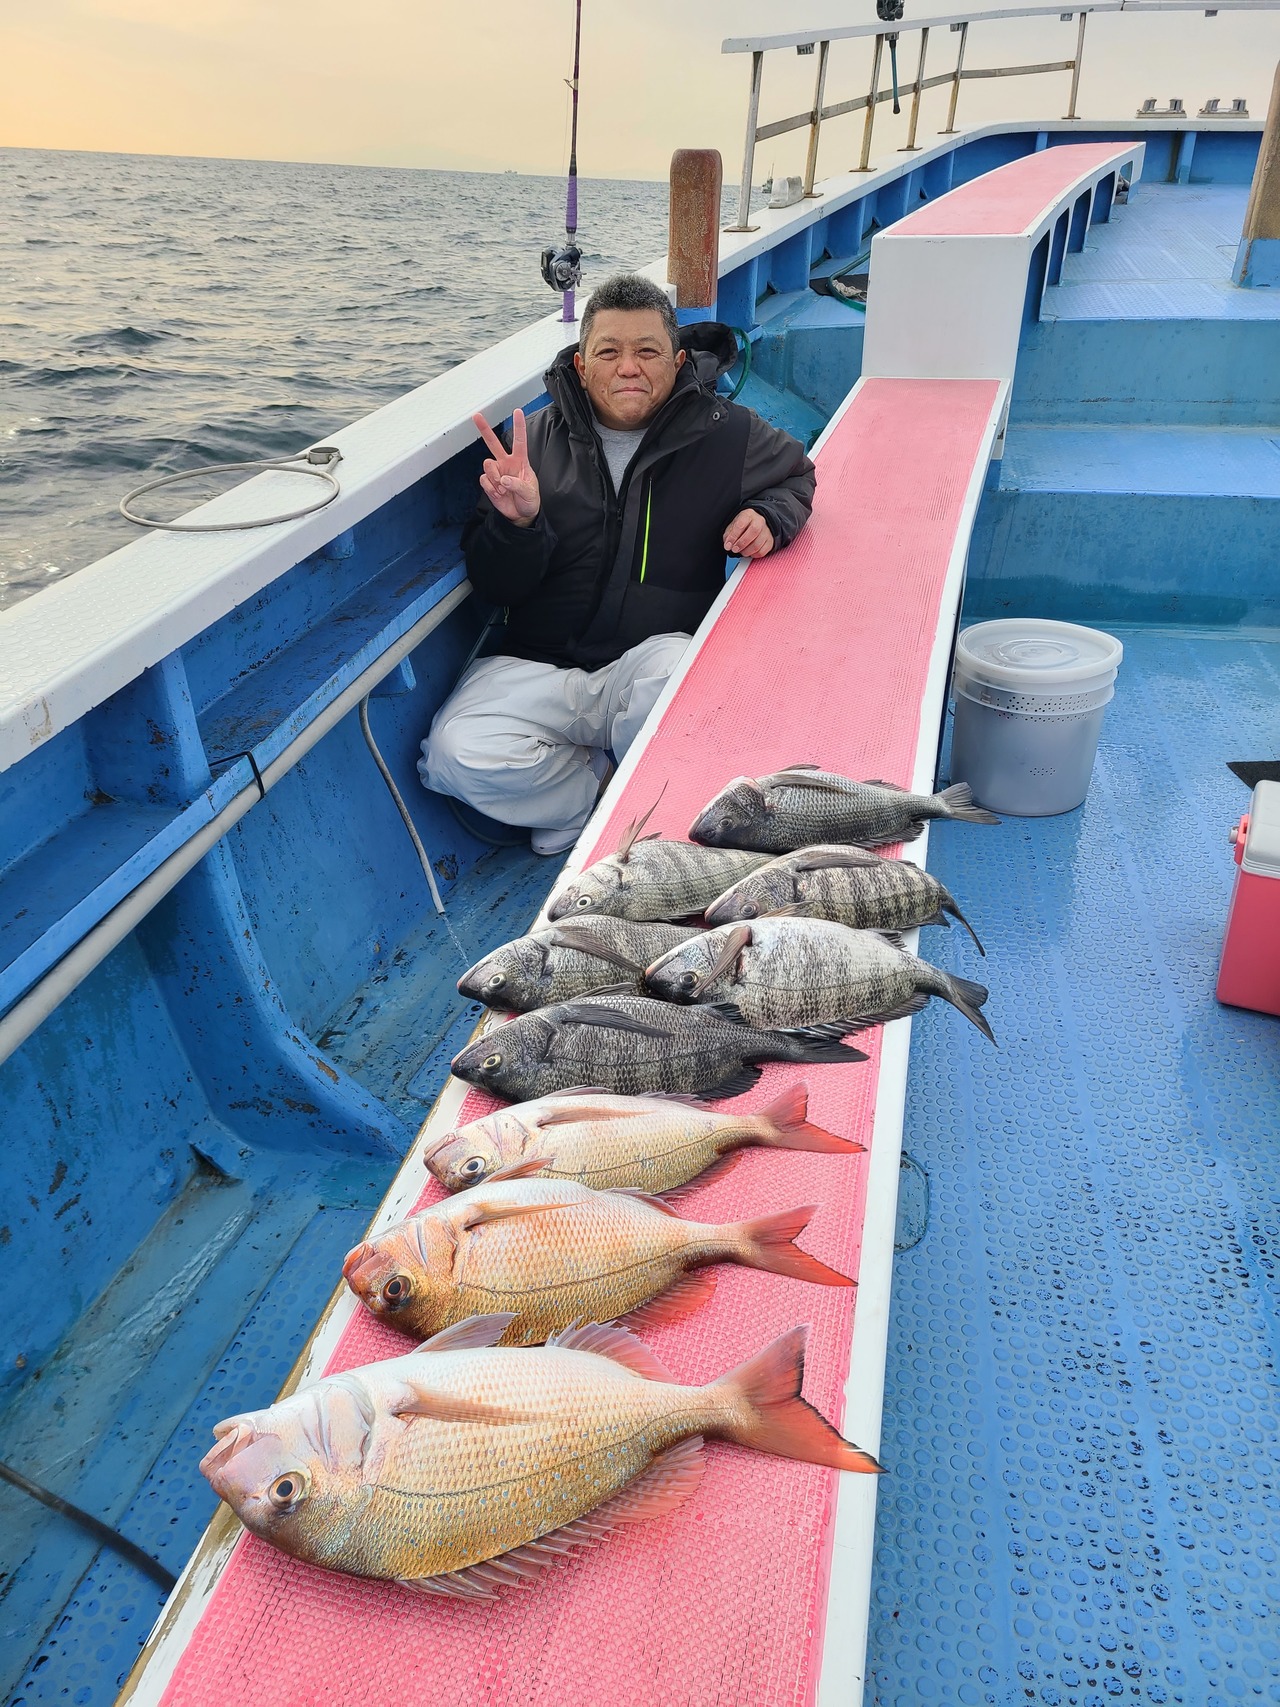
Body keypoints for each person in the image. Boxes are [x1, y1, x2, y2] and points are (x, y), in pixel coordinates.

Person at [419, 272, 816, 855]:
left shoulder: (728, 436)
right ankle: (593, 793)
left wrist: (769, 515)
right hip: (540, 665)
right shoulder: (535, 447)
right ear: (582, 367)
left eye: (647, 351)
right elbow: (497, 586)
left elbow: (797, 476)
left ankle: (648, 808)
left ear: (677, 362)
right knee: (454, 753)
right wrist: (518, 523)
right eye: (609, 352)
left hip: (650, 662)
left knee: (680, 675)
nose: (629, 368)